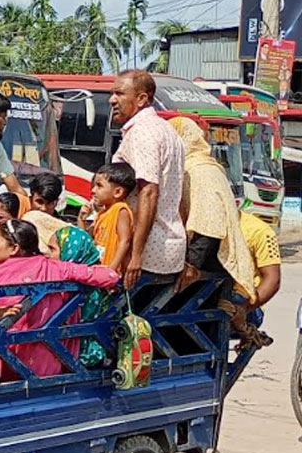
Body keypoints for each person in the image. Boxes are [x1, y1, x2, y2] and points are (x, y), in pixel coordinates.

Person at [0, 220, 119, 381]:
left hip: (6, 363)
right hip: (50, 362)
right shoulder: (56, 267)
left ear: (14, 248)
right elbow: (111, 276)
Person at [109, 69, 186, 288]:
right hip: (167, 248)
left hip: (147, 254)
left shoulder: (143, 132)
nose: (112, 100)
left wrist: (136, 255)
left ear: (142, 99)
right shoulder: (167, 130)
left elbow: (149, 191)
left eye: (119, 93)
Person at [169, 117, 256, 297]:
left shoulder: (198, 170)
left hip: (209, 265)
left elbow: (209, 224)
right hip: (212, 262)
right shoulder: (204, 165)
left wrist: (191, 265)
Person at [55, 225, 112, 368]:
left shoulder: (89, 289)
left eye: (52, 248)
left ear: (71, 251)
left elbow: (111, 275)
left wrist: (66, 270)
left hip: (79, 353)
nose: (46, 253)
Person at [77, 162, 135, 274]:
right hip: (98, 269)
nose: (93, 190)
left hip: (110, 273)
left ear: (118, 192)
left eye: (99, 186)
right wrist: (81, 219)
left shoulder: (120, 210)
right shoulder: (102, 214)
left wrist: (111, 269)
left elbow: (125, 241)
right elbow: (87, 239)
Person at [240, 210, 281, 308]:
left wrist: (244, 309)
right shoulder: (205, 227)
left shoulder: (260, 231)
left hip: (245, 300)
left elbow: (273, 279)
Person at [22, 173, 66, 256]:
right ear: (30, 199)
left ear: (56, 202)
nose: (43, 209)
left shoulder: (64, 229)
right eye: (39, 202)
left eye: (49, 203)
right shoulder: (21, 225)